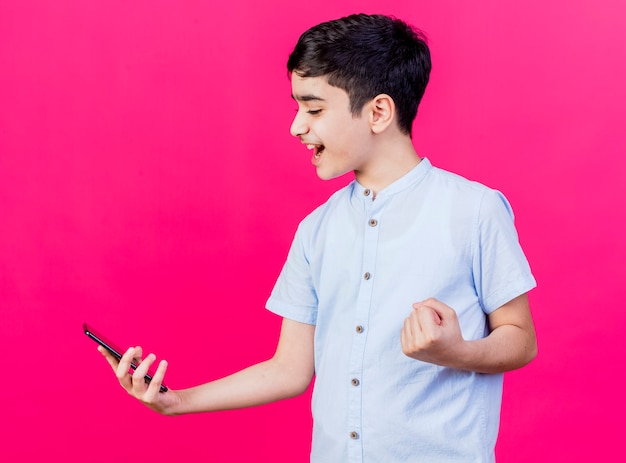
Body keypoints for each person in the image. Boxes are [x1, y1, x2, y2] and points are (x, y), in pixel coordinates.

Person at [99, 13, 537, 462]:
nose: (296, 127)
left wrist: (457, 351)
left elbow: (521, 338)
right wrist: (179, 402)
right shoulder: (317, 229)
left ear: (379, 112)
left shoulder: (474, 210)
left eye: (313, 109)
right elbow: (290, 369)